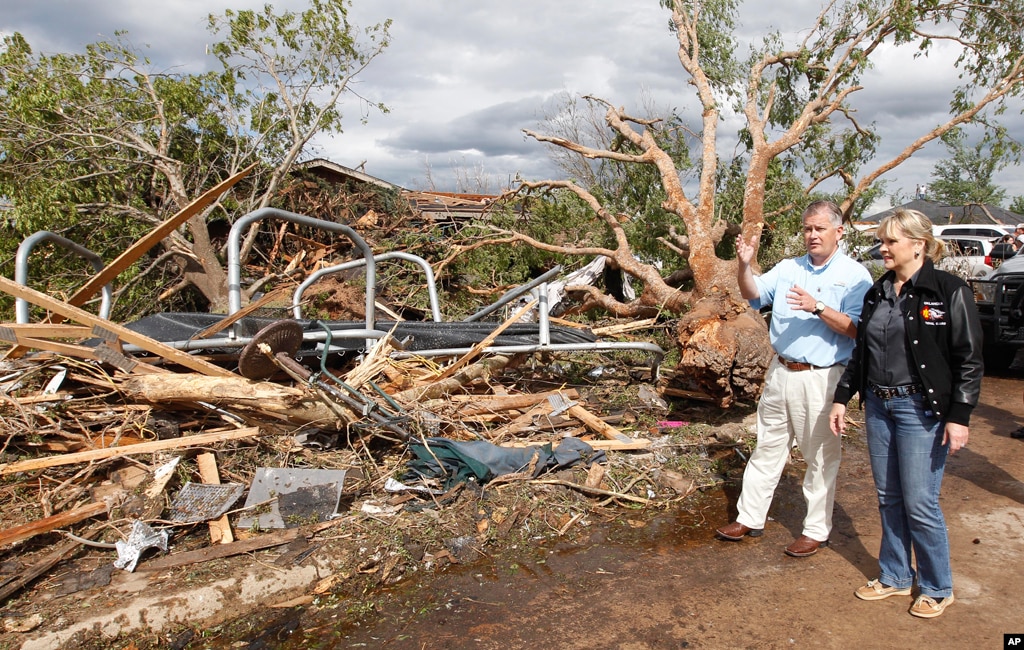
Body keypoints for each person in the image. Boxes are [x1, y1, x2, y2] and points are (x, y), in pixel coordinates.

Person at [829, 209, 983, 619]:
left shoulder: (948, 290)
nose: (882, 248)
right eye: (881, 241)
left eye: (890, 241)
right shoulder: (878, 291)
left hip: (921, 411)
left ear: (918, 244)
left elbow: (968, 359)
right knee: (888, 497)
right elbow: (862, 350)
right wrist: (844, 396)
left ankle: (937, 586)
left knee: (920, 502)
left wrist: (959, 415)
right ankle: (895, 576)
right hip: (879, 406)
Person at [716, 200, 872, 557]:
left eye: (820, 228)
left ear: (839, 232)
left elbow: (857, 330)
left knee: (818, 456)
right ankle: (749, 518)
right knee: (767, 447)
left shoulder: (854, 276)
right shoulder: (789, 268)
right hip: (781, 371)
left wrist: (817, 307)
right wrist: (743, 265)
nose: (812, 235)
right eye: (807, 229)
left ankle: (816, 530)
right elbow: (752, 293)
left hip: (821, 377)